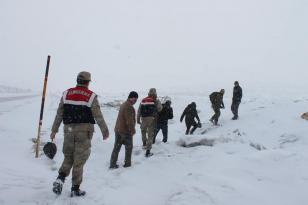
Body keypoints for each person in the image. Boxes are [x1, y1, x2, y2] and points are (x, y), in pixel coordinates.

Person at [50, 71, 109, 197]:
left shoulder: (66, 94)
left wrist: (54, 130)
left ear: (77, 80)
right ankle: (75, 188)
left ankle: (60, 178)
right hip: (84, 132)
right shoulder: (91, 96)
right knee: (79, 160)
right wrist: (105, 130)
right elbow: (98, 115)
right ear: (88, 82)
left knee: (68, 157)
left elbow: (59, 114)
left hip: (68, 131)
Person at [110, 91, 138, 169]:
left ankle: (112, 164)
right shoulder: (129, 106)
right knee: (129, 148)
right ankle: (127, 164)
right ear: (130, 97)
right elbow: (129, 121)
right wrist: (132, 130)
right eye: (134, 99)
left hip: (118, 129)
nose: (135, 101)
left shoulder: (124, 104)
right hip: (125, 131)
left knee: (116, 148)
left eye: (136, 99)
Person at [137, 88, 162, 157]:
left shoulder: (143, 100)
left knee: (143, 132)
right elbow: (160, 109)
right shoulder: (156, 100)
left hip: (143, 119)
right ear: (155, 93)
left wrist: (138, 119)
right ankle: (148, 151)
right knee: (150, 135)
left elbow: (139, 110)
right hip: (152, 120)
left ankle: (144, 144)